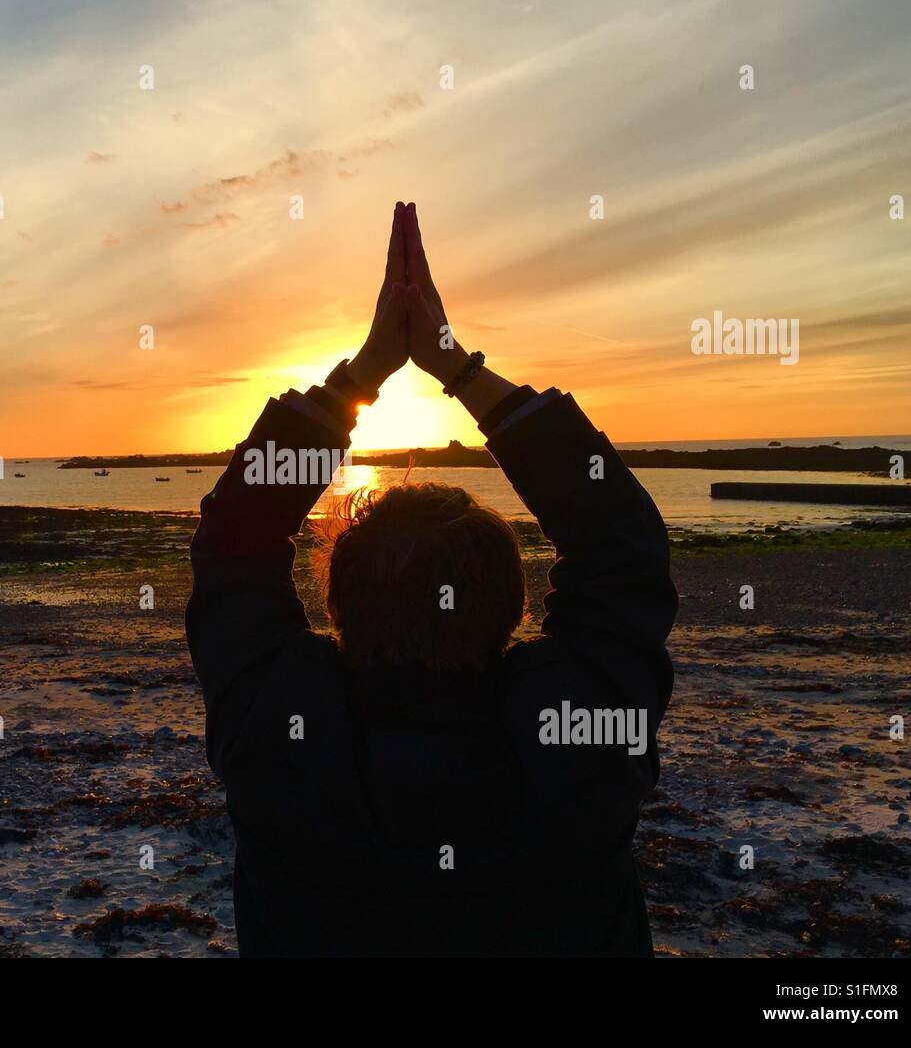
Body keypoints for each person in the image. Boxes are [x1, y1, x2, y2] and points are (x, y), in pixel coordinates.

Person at [186, 202, 678, 956]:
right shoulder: (583, 741)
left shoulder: (281, 732)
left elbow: (233, 538)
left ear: (341, 602)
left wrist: (365, 372)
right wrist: (456, 364)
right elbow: (623, 545)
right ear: (510, 603)